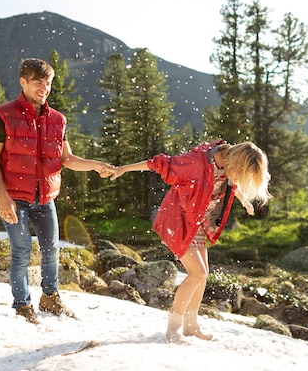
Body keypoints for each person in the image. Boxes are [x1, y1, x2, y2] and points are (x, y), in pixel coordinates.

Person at [0, 58, 113, 325]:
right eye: (37, 82)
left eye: (48, 83)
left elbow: (67, 158)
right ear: (23, 82)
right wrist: (1, 197)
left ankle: (50, 298)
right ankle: (22, 306)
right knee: (21, 251)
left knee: (51, 250)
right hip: (14, 199)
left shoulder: (58, 120)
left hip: (46, 200)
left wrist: (95, 166)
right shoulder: (3, 115)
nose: (44, 88)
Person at [110, 140, 270, 342]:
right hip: (179, 222)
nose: (239, 178)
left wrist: (244, 201)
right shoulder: (195, 163)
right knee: (198, 273)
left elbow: (231, 183)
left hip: (198, 224)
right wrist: (123, 169)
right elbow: (159, 163)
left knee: (203, 275)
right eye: (241, 173)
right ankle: (173, 328)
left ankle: (191, 325)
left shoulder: (228, 163)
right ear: (236, 163)